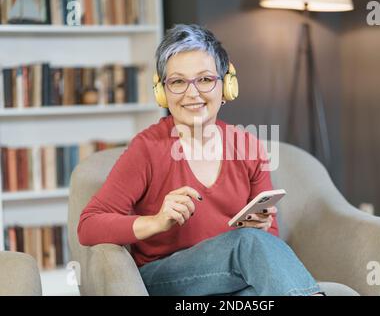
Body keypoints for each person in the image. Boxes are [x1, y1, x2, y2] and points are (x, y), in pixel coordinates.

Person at [77, 24, 324, 296]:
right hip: (164, 278)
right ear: (163, 92)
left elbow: (268, 243)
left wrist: (263, 228)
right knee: (249, 245)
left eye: (205, 79)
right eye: (178, 82)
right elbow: (89, 225)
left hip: (230, 276)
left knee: (256, 291)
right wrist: (157, 222)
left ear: (227, 85)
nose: (192, 93)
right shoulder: (146, 149)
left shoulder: (247, 146)